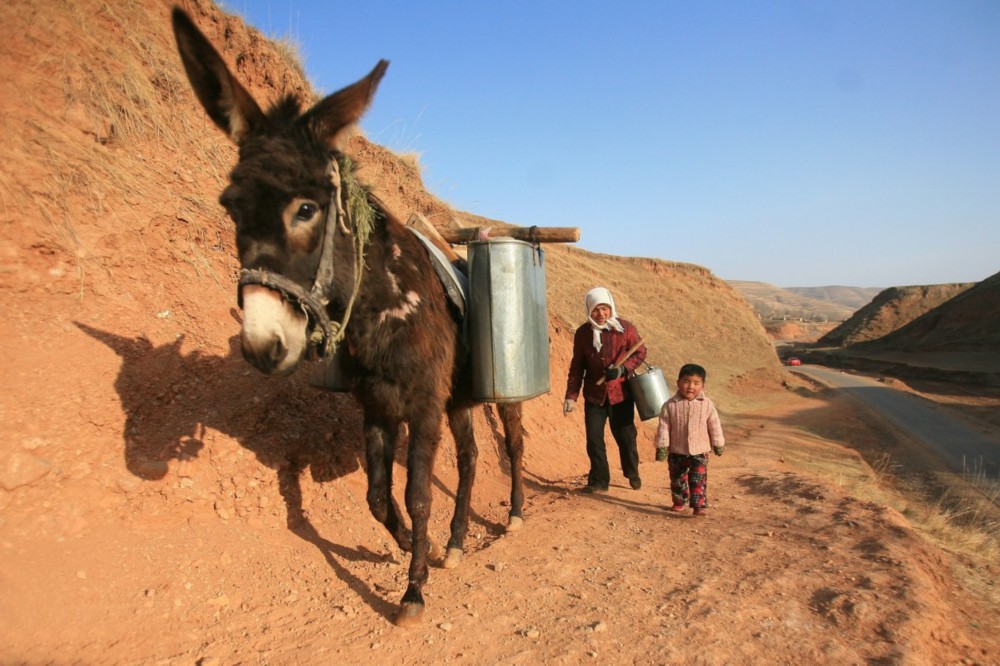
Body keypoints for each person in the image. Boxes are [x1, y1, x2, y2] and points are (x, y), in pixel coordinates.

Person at [564, 286, 647, 493]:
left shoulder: (624, 329)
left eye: (604, 309)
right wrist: (571, 396)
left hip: (621, 395)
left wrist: (622, 370)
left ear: (611, 308)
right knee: (594, 439)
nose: (600, 314)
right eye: (596, 310)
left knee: (626, 437)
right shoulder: (583, 333)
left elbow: (640, 352)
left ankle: (632, 471)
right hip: (595, 396)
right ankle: (599, 481)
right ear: (589, 310)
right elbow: (577, 366)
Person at [653, 363, 725, 516]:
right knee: (677, 479)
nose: (691, 386)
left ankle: (698, 505)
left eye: (696, 383)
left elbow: (715, 425)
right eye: (686, 382)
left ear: (702, 386)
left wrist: (718, 444)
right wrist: (662, 447)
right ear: (678, 383)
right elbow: (663, 427)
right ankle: (679, 501)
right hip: (676, 450)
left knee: (698, 478)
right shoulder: (670, 405)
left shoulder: (707, 405)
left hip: (700, 450)